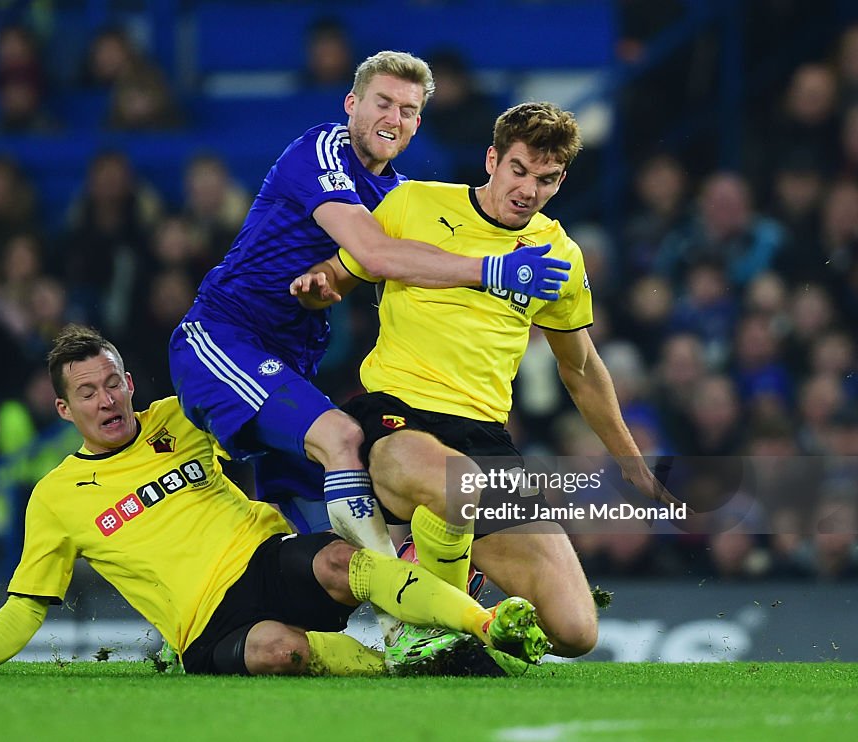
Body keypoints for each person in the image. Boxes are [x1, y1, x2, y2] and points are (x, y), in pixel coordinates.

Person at [0, 325, 545, 677]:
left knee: (341, 563)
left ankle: (483, 629)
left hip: (263, 557)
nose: (107, 399)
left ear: (130, 380)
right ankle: (399, 664)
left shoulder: (182, 417)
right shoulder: (57, 497)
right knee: (278, 655)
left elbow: (269, 410)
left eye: (112, 382)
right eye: (87, 392)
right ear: (64, 409)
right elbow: (28, 602)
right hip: (205, 626)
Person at [291, 102, 684, 658]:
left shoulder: (559, 255)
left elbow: (580, 368)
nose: (528, 189)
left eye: (545, 179)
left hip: (484, 438)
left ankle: (438, 569)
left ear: (560, 181)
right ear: (493, 158)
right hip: (397, 417)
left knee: (575, 631)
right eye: (519, 170)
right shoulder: (414, 203)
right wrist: (319, 283)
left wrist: (630, 463)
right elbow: (346, 268)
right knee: (459, 485)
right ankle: (438, 623)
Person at [168, 51, 571, 564]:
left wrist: (326, 283)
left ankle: (404, 608)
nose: (393, 118)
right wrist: (494, 270)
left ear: (417, 124)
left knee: (335, 548)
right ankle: (397, 606)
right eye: (383, 103)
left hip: (294, 367)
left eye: (407, 110)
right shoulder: (321, 149)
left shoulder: (399, 196)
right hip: (226, 337)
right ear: (351, 104)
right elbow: (377, 254)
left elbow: (389, 273)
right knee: (343, 435)